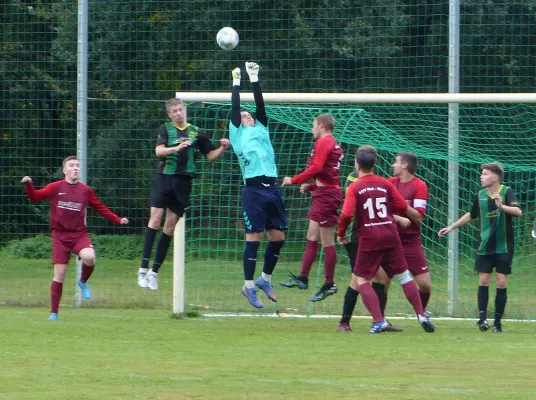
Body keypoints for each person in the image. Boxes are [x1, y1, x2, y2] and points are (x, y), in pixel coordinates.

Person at [337, 145, 435, 334]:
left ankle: (377, 320)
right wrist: (396, 217)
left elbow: (347, 213)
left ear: (357, 165)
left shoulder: (355, 186)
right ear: (374, 163)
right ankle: (421, 314)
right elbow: (399, 205)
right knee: (403, 276)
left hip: (370, 237)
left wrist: (341, 233)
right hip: (391, 234)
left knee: (361, 280)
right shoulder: (386, 183)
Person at [137, 98, 230, 291]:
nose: (179, 113)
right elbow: (158, 151)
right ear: (170, 114)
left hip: (183, 183)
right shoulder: (165, 129)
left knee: (169, 228)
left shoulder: (196, 132)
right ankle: (143, 269)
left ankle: (154, 272)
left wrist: (222, 148)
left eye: (181, 110)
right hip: (164, 178)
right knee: (155, 221)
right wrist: (176, 148)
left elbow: (210, 156)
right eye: (175, 111)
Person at [21, 156, 129, 321]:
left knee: (90, 257)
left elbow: (100, 207)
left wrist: (117, 219)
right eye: (71, 166)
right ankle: (54, 313)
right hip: (59, 236)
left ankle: (83, 281)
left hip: (79, 234)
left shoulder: (85, 190)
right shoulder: (56, 187)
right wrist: (28, 185)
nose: (75, 168)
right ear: (64, 170)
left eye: (77, 166)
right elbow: (35, 197)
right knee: (60, 274)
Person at [229, 62, 288, 309]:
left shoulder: (261, 129)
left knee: (278, 237)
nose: (247, 116)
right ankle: (249, 286)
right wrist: (236, 82)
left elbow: (260, 106)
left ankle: (264, 279)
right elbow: (235, 109)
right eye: (243, 116)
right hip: (253, 190)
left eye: (248, 114)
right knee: (253, 238)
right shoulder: (237, 133)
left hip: (272, 188)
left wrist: (254, 78)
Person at [438, 162, 522, 333]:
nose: (481, 177)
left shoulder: (507, 192)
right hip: (485, 246)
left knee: (501, 281)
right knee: (483, 280)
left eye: (485, 174)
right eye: (482, 174)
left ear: (495, 177)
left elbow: (518, 211)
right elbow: (472, 214)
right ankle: (482, 319)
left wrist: (501, 207)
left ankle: (497, 323)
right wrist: (452, 226)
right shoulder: (480, 195)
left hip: (503, 246)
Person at [279, 114, 343, 302]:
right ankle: (303, 277)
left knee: (327, 241)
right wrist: (313, 186)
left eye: (313, 125)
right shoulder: (330, 143)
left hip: (327, 197)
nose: (312, 129)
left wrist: (294, 180)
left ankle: (329, 284)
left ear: (322, 126)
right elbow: (329, 174)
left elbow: (316, 167)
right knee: (311, 237)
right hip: (322, 194)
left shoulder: (325, 142)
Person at [337, 169, 402, 333]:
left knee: (380, 278)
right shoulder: (355, 180)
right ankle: (344, 323)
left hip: (369, 235)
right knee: (358, 280)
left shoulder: (372, 181)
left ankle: (379, 320)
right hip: (358, 236)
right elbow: (350, 211)